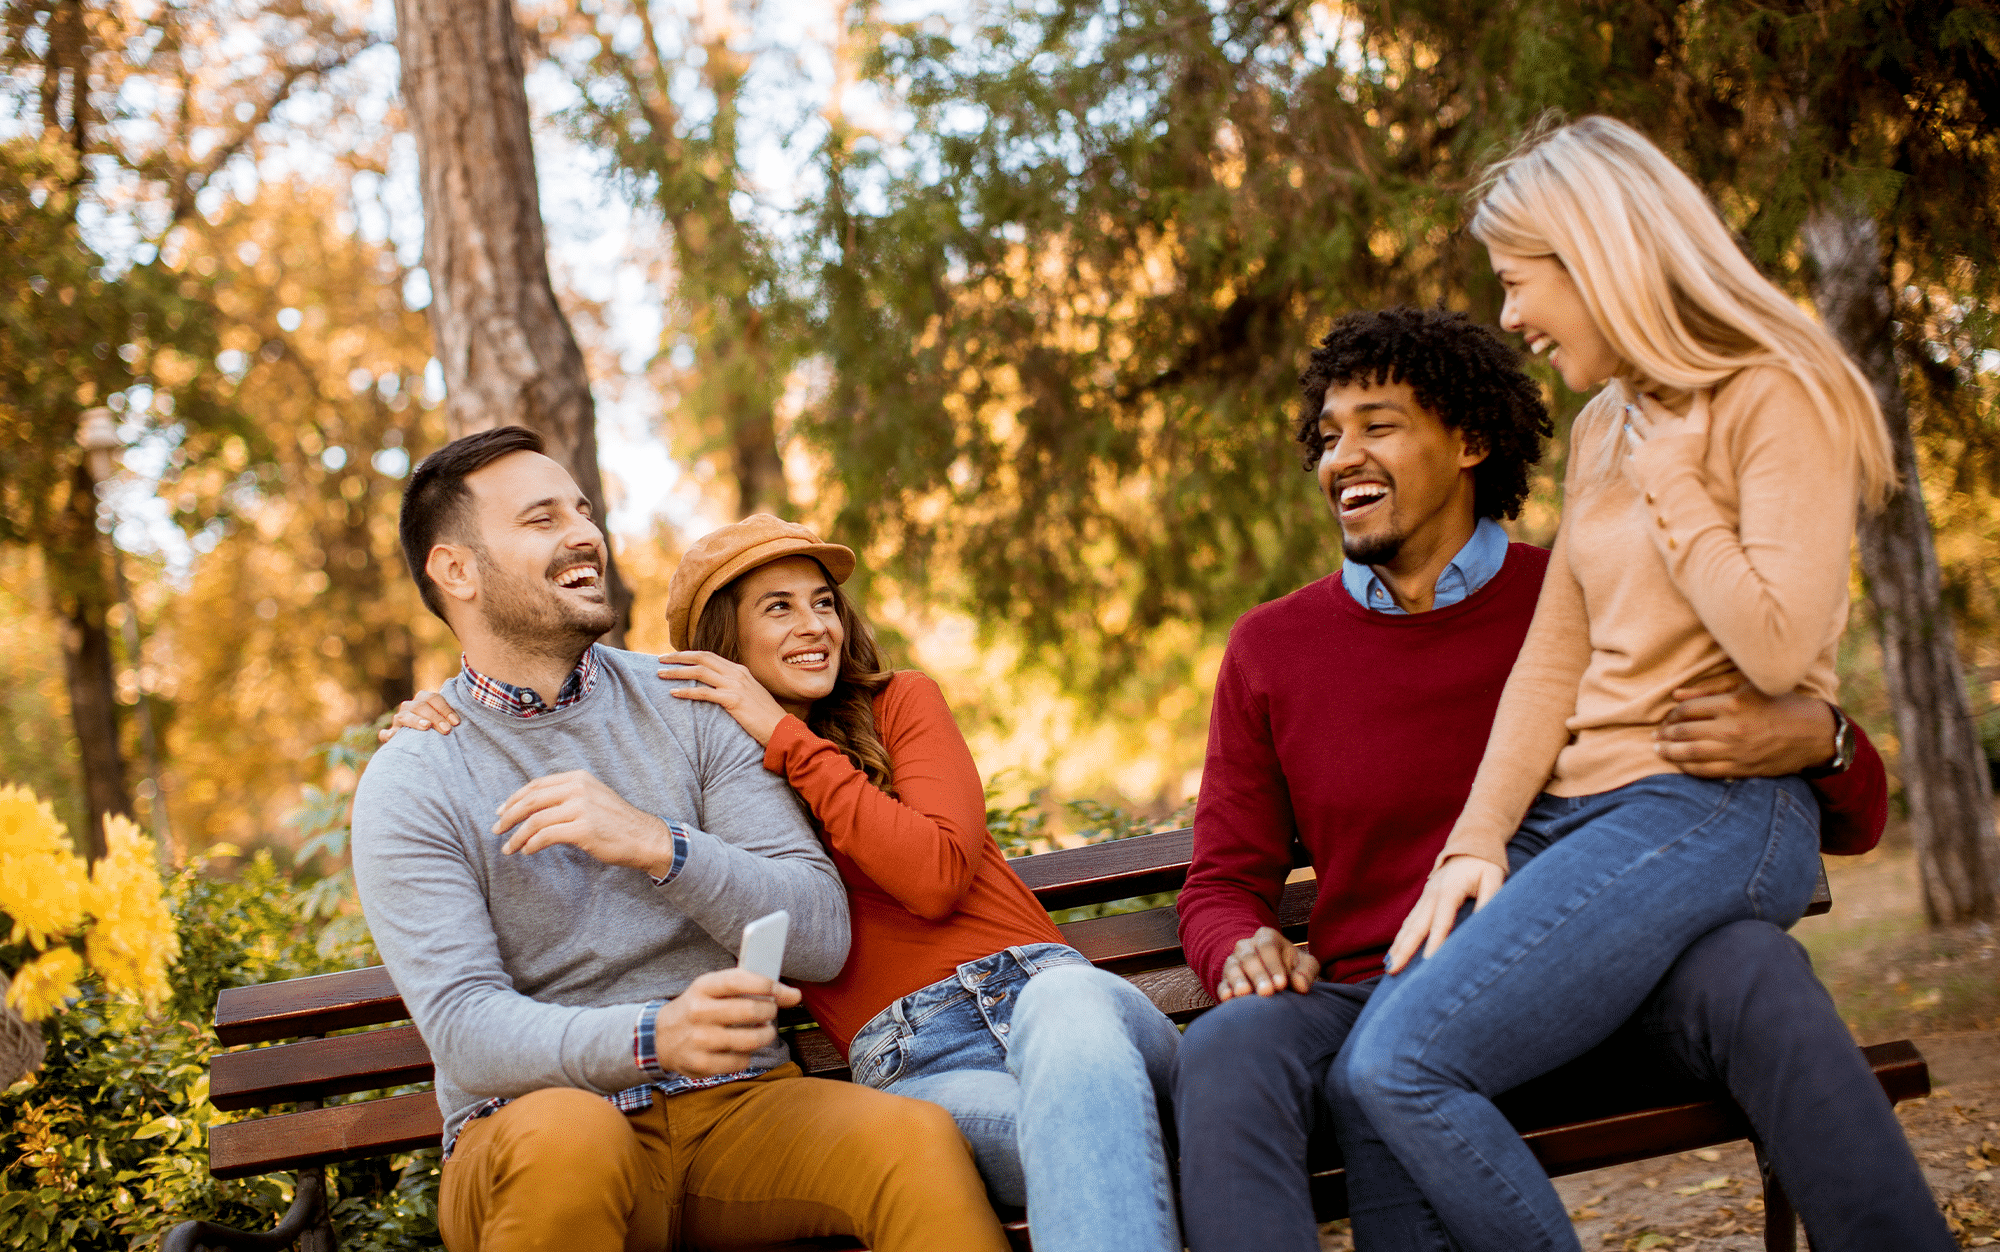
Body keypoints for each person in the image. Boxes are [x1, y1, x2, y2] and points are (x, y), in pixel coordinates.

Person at [1173, 305, 1950, 1252]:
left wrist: (1822, 738)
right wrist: (1239, 947)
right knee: (1225, 1047)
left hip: (1593, 986)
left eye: (1377, 425)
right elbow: (1222, 880)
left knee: (1754, 967)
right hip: (1372, 997)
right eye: (1329, 437)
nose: (1342, 457)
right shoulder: (1272, 648)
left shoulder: (1582, 594)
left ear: (1471, 441)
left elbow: (1847, 813)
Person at [1332, 120, 1954, 1251]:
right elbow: (1553, 655)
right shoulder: (1603, 421)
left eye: (1520, 281)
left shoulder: (1774, 391)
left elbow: (1773, 647)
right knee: (1363, 1081)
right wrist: (1477, 838)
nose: (1511, 316)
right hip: (1582, 818)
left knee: (1400, 1063)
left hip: (1710, 804)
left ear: (1596, 254)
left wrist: (1674, 479)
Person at [392, 513, 1185, 1252]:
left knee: (1067, 1022)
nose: (815, 626)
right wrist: (454, 714)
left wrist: (784, 735)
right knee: (1107, 1135)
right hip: (922, 1064)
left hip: (1049, 996)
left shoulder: (896, 704)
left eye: (823, 603)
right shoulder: (706, 767)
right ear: (720, 643)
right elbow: (566, 719)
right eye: (778, 607)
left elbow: (934, 874)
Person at [353, 427, 1009, 1252]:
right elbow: (464, 1027)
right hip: (532, 1124)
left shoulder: (691, 701)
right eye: (541, 518)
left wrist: (663, 845)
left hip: (736, 1107)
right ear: (455, 570)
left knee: (912, 1140)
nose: (583, 532)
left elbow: (819, 930)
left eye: (584, 509)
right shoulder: (416, 775)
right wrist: (653, 1035)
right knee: (571, 1136)